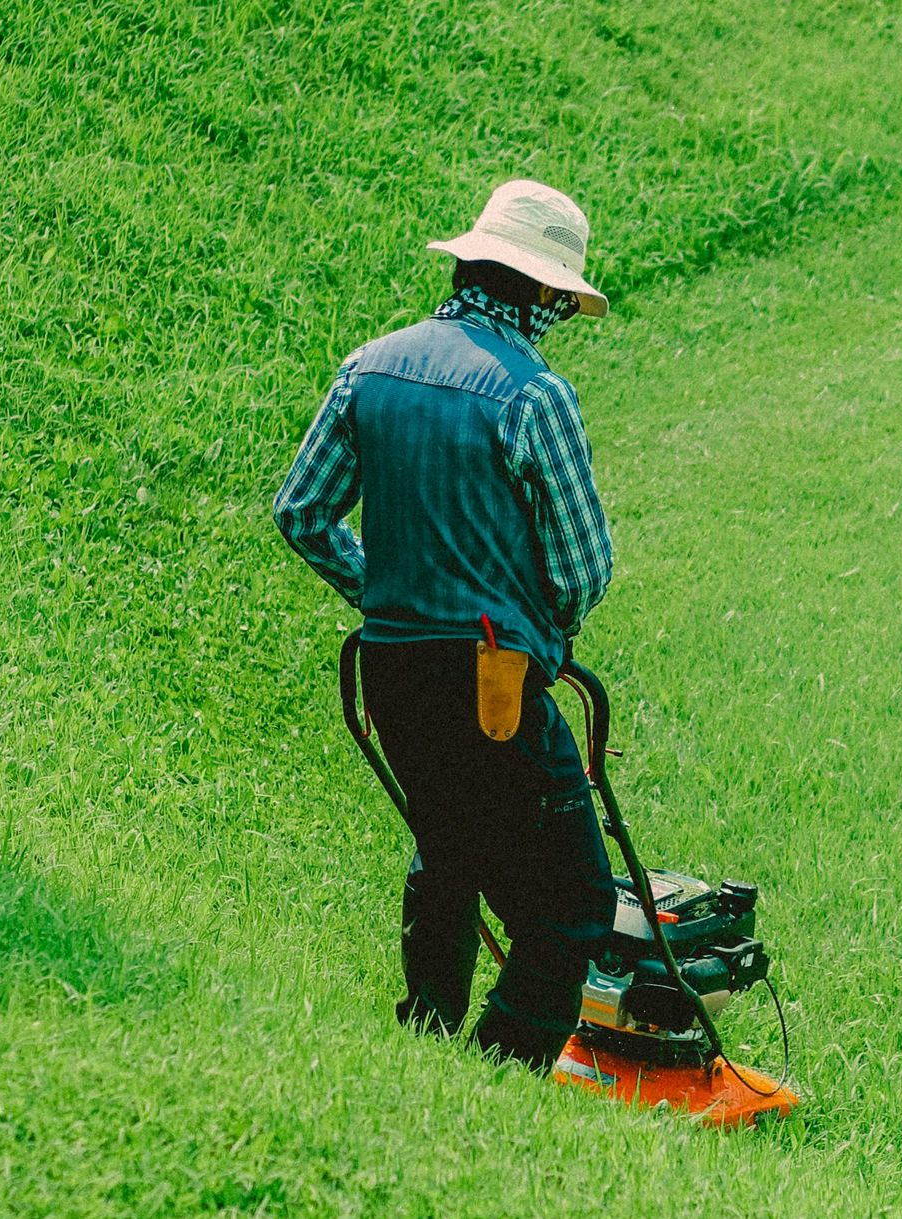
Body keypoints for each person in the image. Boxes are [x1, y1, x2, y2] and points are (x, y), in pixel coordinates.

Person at [274, 180, 618, 1072]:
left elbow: (303, 511)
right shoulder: (535, 397)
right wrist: (546, 631)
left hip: (387, 667)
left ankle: (426, 1031)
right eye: (562, 303)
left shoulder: (370, 366)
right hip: (493, 678)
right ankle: (502, 1061)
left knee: (448, 844)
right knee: (576, 896)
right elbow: (585, 568)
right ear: (541, 292)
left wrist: (382, 592)